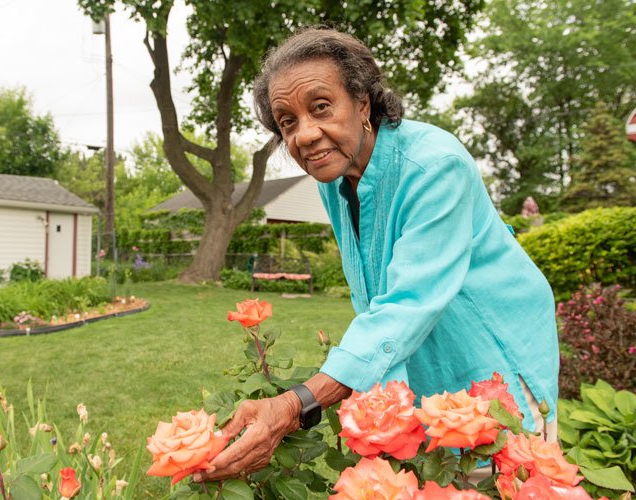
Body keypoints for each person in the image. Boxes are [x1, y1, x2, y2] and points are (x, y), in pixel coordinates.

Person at [194, 27, 559, 482]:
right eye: (288, 121)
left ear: (363, 104)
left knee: (497, 475)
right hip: (420, 348)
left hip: (490, 345)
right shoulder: (336, 175)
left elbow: (405, 305)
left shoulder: (434, 166)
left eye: (321, 107)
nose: (305, 134)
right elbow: (377, 298)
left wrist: (295, 404)